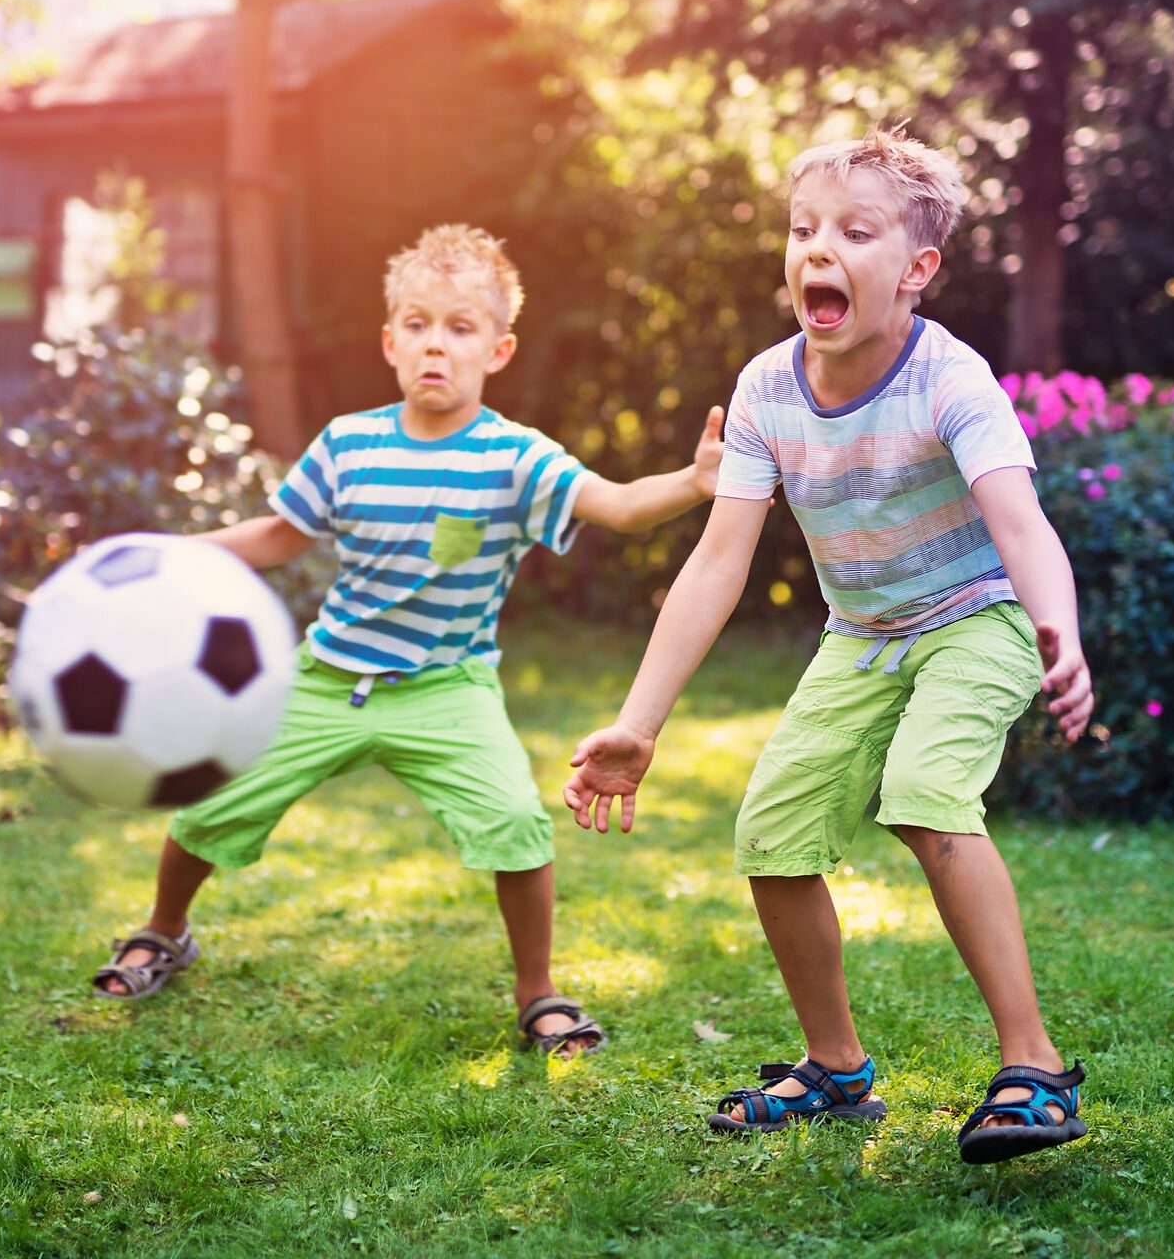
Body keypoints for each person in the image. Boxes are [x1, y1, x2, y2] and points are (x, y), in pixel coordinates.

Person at [562, 128, 1098, 1158]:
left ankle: (1033, 1067)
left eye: (856, 231)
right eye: (804, 228)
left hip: (979, 617)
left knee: (928, 794)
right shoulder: (767, 389)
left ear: (915, 271)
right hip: (862, 635)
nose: (820, 248)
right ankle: (837, 1070)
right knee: (771, 833)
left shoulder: (952, 379)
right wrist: (640, 721)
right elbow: (719, 562)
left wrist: (1057, 632)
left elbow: (1021, 522)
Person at [91, 223, 723, 1059]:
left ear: (497, 350)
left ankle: (538, 992)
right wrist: (172, 552)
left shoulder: (513, 458)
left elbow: (613, 503)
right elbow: (281, 537)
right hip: (328, 676)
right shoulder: (350, 444)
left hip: (447, 687)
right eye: (419, 324)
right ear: (390, 342)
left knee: (514, 825)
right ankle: (163, 931)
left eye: (460, 328)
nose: (437, 345)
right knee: (210, 802)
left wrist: (692, 482)